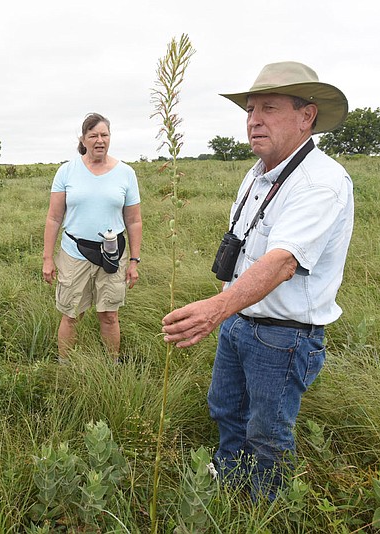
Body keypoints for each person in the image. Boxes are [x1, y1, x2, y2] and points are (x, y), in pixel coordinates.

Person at [161, 62, 354, 499]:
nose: (254, 120)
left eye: (268, 107)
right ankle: (229, 479)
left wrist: (214, 309)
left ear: (307, 117)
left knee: (267, 431)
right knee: (226, 410)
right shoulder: (257, 173)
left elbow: (282, 262)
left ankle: (264, 507)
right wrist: (226, 309)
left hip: (282, 337)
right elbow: (244, 249)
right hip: (238, 321)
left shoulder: (320, 181)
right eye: (250, 110)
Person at [42, 112, 142, 361]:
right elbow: (54, 218)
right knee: (71, 315)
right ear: (83, 139)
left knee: (109, 315)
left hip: (112, 255)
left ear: (110, 137)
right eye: (93, 135)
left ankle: (111, 366)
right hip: (74, 254)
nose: (100, 140)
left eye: (104, 135)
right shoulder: (66, 171)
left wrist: (134, 261)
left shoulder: (126, 173)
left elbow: (134, 220)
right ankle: (65, 366)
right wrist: (47, 258)